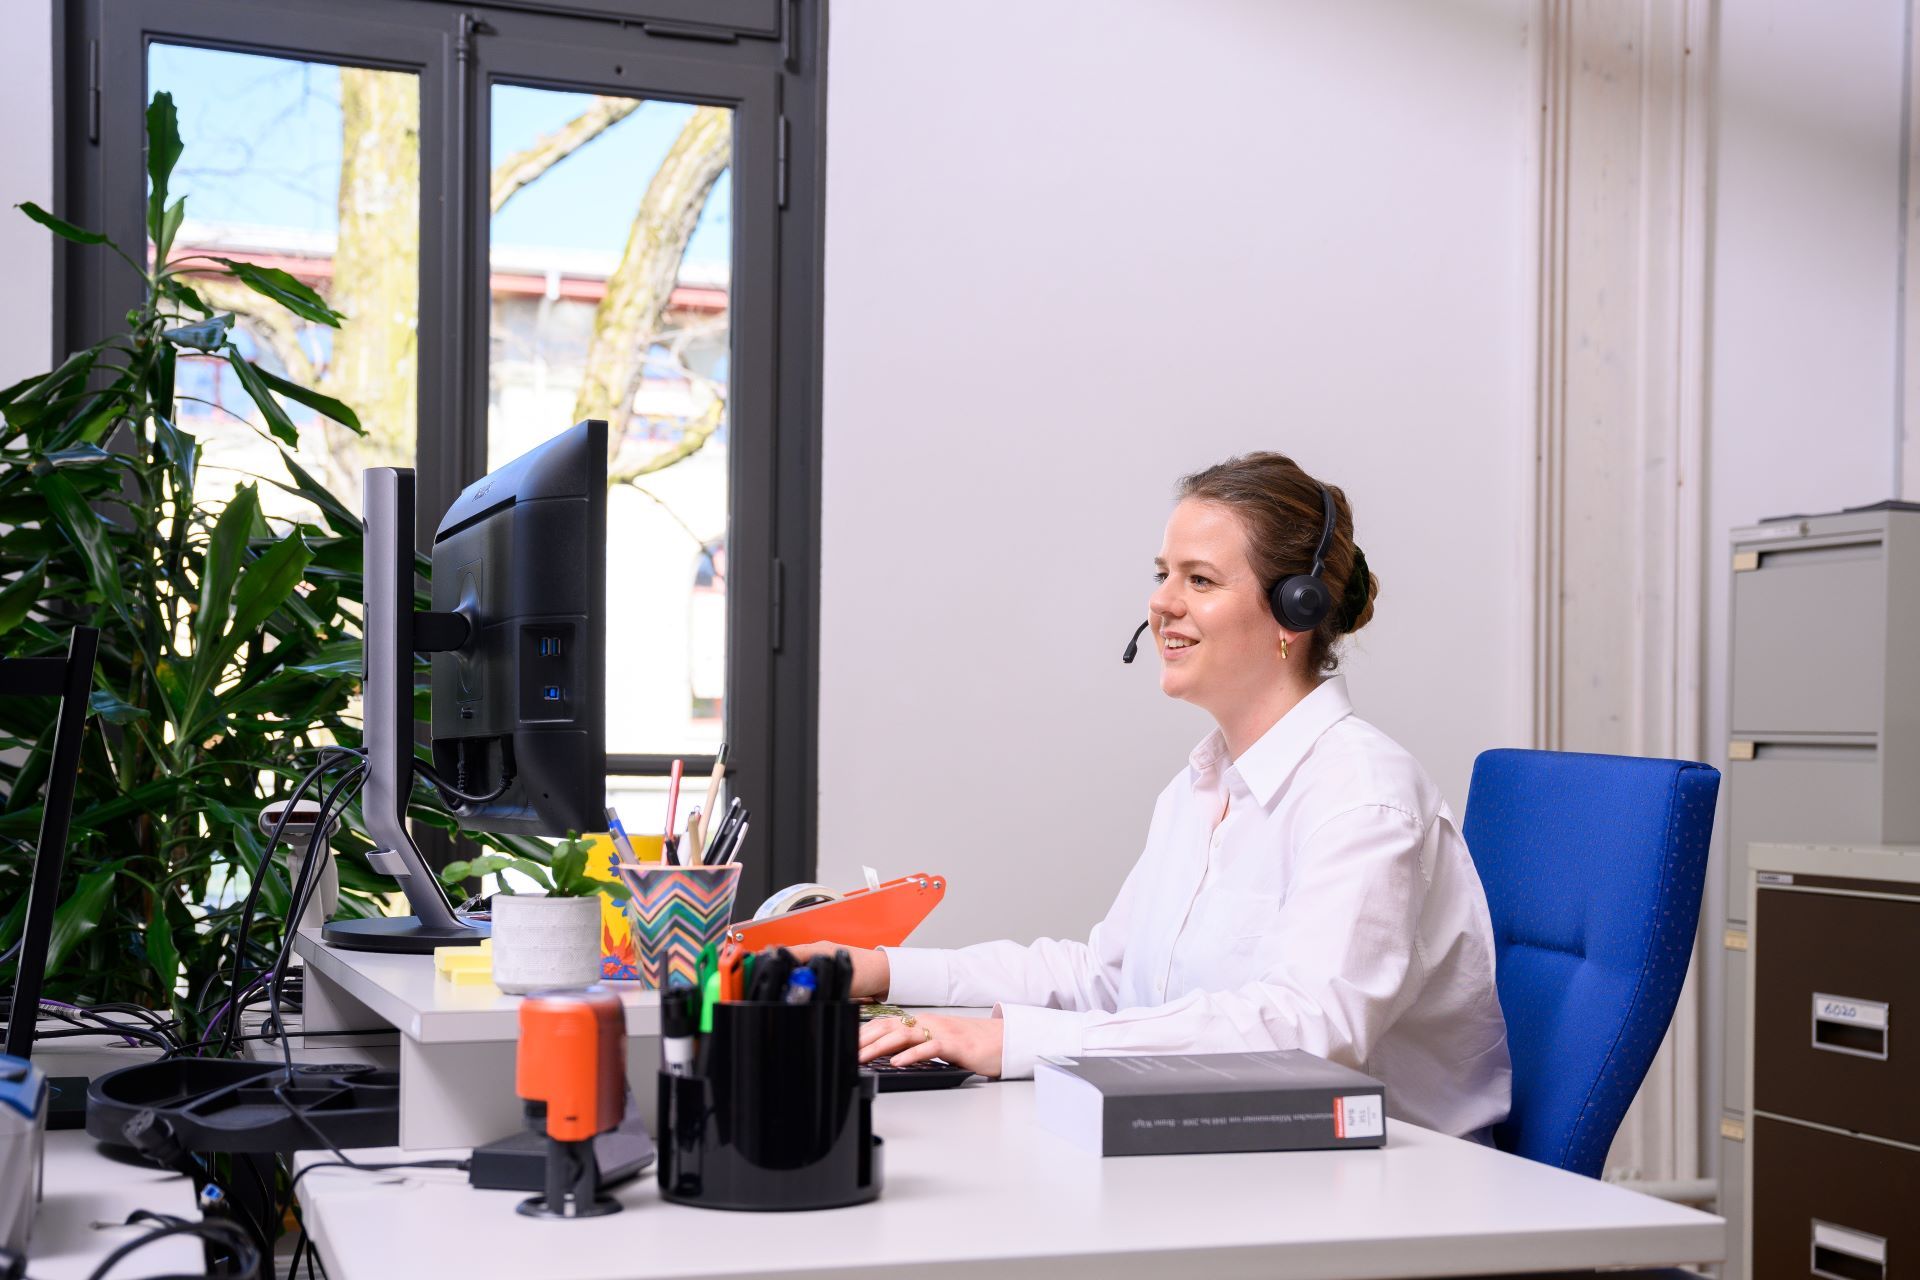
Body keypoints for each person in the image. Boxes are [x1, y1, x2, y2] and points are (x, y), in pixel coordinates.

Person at [799, 453, 1510, 1138]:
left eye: (1200, 579)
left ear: (1295, 609)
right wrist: (877, 969)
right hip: (1250, 1152)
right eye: (1163, 574)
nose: (1163, 602)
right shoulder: (1199, 789)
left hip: (1391, 1178)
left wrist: (1006, 1040)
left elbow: (1309, 1031)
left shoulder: (1362, 795)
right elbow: (1105, 978)